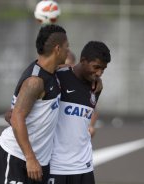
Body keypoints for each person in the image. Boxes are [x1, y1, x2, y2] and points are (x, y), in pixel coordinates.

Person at [0, 24, 69, 184]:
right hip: (17, 157)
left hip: (39, 162)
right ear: (57, 49)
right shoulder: (35, 81)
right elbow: (16, 118)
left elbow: (13, 113)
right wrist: (30, 158)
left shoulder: (53, 73)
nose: (69, 51)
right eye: (67, 47)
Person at [49, 41, 111, 184]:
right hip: (56, 166)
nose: (99, 73)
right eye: (96, 67)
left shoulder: (96, 86)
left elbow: (90, 111)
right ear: (83, 61)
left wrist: (91, 126)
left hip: (84, 167)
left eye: (103, 69)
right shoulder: (57, 76)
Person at [63, 49, 99, 138]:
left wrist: (90, 126)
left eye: (67, 65)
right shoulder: (51, 81)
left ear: (73, 65)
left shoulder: (82, 85)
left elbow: (92, 109)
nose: (64, 68)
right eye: (62, 65)